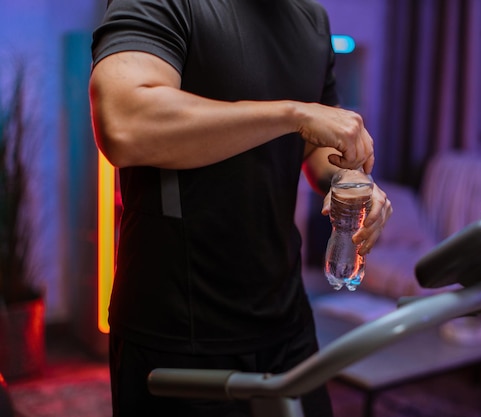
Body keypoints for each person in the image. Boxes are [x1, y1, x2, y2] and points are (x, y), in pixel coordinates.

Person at [89, 1, 392, 416]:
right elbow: (124, 122)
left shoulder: (310, 19)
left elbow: (318, 140)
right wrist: (293, 115)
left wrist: (350, 180)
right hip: (181, 331)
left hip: (286, 320)